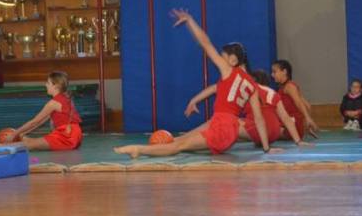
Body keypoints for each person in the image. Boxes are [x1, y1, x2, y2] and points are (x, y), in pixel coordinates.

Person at [114, 9, 272, 159]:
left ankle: (138, 149)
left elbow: (206, 43)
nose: (220, 59)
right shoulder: (251, 84)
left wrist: (190, 20)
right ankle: (151, 147)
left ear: (233, 60)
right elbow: (259, 119)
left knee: (178, 146)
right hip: (230, 130)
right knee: (182, 141)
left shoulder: (228, 70)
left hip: (222, 127)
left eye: (222, 56)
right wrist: (266, 148)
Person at [185, 70, 310, 149]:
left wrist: (193, 100)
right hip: (274, 133)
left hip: (259, 132)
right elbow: (286, 118)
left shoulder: (248, 90)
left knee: (217, 123)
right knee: (237, 127)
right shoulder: (272, 92)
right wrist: (298, 141)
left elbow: (214, 88)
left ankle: (184, 139)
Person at [0, 71, 82, 151]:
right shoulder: (63, 99)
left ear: (56, 86)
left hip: (66, 135)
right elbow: (41, 122)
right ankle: (13, 142)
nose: (45, 85)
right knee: (29, 140)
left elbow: (34, 122)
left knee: (30, 144)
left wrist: (15, 134)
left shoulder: (53, 103)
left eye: (48, 82)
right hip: (73, 134)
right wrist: (21, 133)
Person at [271, 59, 320, 139]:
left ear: (284, 71)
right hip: (295, 128)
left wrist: (308, 118)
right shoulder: (289, 86)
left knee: (264, 131)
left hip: (291, 128)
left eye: (274, 72)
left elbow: (299, 103)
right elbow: (308, 106)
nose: (272, 75)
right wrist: (306, 124)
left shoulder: (289, 87)